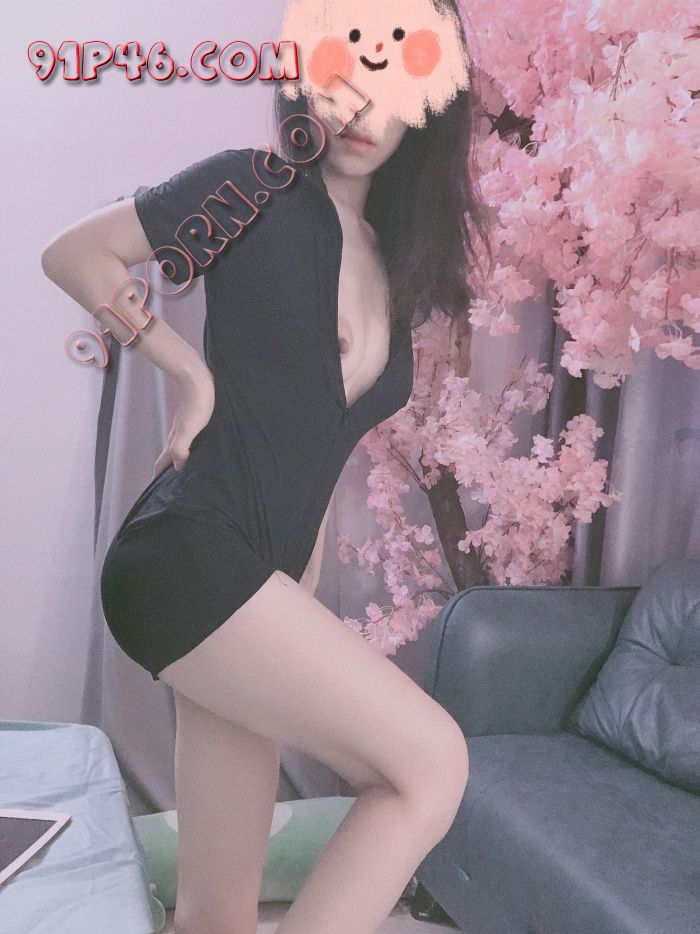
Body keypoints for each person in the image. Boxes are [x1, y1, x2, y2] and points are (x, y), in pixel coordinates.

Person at [41, 5, 492, 931]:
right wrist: (186, 370)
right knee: (432, 763)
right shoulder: (253, 188)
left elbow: (316, 458)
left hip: (257, 586)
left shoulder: (394, 267)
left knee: (217, 913)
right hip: (185, 555)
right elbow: (76, 253)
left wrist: (297, 599)